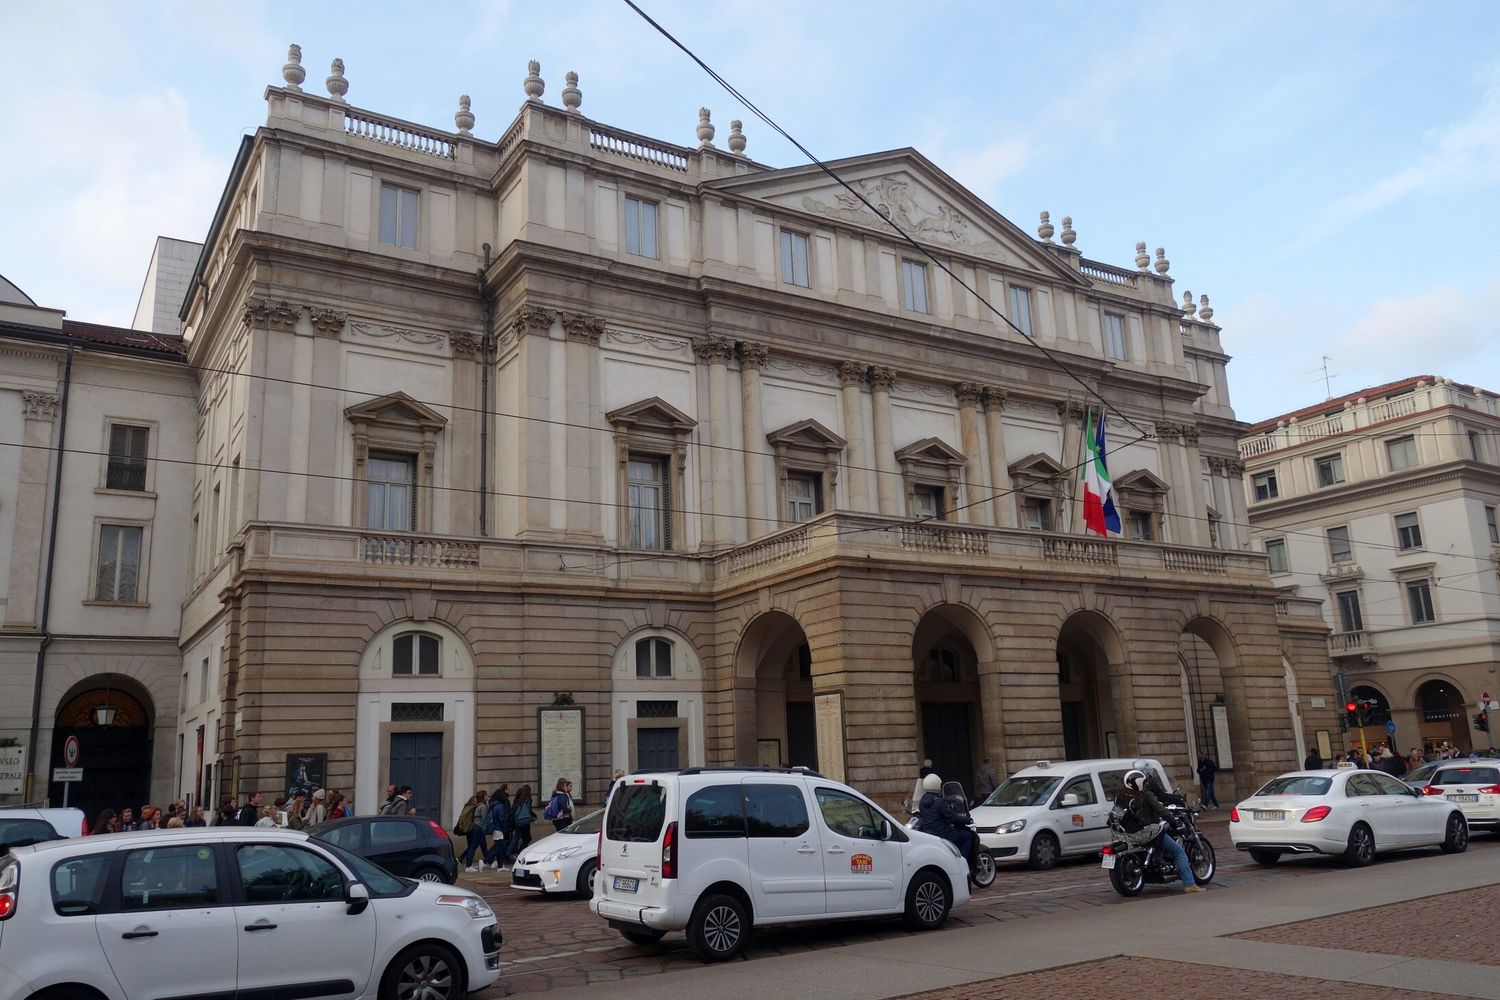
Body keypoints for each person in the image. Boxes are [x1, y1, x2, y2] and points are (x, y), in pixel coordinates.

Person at [1118, 769, 1203, 893]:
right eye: (1144, 782)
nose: (1146, 784)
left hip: (1126, 833)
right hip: (1146, 832)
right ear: (1140, 782)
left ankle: (1158, 860)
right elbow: (1161, 810)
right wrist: (1173, 821)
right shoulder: (1145, 795)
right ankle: (1190, 884)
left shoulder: (1121, 795)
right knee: (1179, 852)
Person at [916, 773, 976, 876]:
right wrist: (967, 820)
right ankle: (963, 864)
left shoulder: (922, 801)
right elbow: (952, 817)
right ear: (937, 785)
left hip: (929, 834)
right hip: (943, 834)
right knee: (968, 836)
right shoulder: (939, 802)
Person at [481, 787, 512, 871]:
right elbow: (501, 819)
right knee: (499, 848)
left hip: (494, 828)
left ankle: (500, 866)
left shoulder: (492, 805)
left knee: (499, 847)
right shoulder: (500, 806)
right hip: (499, 829)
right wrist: (505, 827)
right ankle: (484, 861)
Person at [458, 790, 489, 872]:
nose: (487, 797)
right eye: (486, 795)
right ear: (483, 797)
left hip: (474, 827)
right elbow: (485, 818)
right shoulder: (483, 806)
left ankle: (470, 864)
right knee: (473, 847)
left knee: (473, 846)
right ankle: (468, 866)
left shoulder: (476, 806)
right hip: (478, 827)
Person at [511, 785, 536, 861]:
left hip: (518, 821)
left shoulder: (519, 799)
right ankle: (519, 853)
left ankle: (514, 853)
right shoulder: (528, 798)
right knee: (527, 839)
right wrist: (534, 816)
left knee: (518, 838)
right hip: (525, 822)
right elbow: (529, 810)